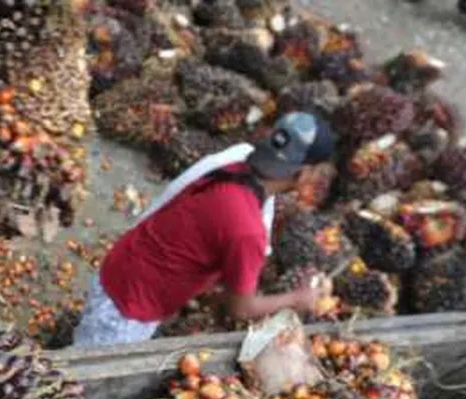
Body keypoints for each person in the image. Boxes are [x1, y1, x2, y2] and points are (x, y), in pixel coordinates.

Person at [72, 112, 338, 349]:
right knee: (81, 379)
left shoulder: (233, 164)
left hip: (121, 264)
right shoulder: (248, 231)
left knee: (88, 334)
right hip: (130, 307)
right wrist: (297, 299)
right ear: (303, 175)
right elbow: (241, 308)